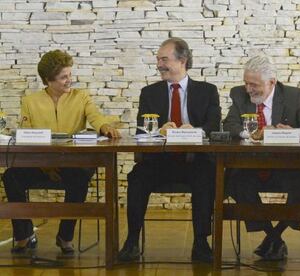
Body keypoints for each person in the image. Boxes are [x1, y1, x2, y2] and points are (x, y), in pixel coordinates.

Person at [2, 49, 120, 255]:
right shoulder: (30, 101)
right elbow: (26, 135)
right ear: (48, 80)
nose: (69, 80)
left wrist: (104, 127)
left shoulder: (81, 97)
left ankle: (65, 237)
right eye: (64, 77)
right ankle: (24, 235)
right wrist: (45, 165)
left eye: (70, 75)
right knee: (11, 176)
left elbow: (96, 117)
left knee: (82, 176)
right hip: (38, 164)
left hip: (71, 164)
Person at [118, 38, 221, 262]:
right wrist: (157, 131)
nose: (159, 64)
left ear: (182, 60)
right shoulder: (149, 92)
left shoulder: (207, 91)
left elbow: (214, 127)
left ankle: (201, 243)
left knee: (207, 177)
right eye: (158, 59)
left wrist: (195, 130)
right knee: (136, 178)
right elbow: (140, 131)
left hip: (195, 161)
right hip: (159, 162)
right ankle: (131, 241)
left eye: (164, 59)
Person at [223, 55, 300, 261]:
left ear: (272, 82)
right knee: (235, 182)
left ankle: (274, 235)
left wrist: (294, 132)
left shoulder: (293, 97)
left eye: (254, 84)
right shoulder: (239, 96)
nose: (249, 89)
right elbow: (228, 125)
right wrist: (252, 133)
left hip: (287, 168)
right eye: (246, 83)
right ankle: (274, 237)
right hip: (249, 167)